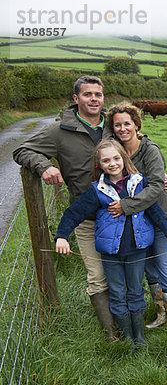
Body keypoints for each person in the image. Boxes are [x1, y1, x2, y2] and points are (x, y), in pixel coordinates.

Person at [12, 76, 118, 339]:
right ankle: (111, 333)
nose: (94, 99)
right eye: (88, 95)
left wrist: (159, 171)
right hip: (86, 216)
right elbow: (22, 150)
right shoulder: (59, 131)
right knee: (96, 274)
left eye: (98, 95)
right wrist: (44, 165)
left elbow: (140, 145)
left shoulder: (114, 125)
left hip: (122, 214)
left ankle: (129, 323)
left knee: (124, 269)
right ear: (76, 99)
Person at [53, 139, 167, 348]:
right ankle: (127, 336)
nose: (112, 163)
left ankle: (139, 337)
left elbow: (155, 211)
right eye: (105, 160)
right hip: (110, 253)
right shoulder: (98, 190)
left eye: (115, 158)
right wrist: (61, 236)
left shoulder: (139, 183)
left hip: (137, 251)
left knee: (135, 290)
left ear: (124, 158)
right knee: (118, 292)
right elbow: (74, 213)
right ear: (99, 165)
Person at [106, 103, 167, 328]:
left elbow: (157, 186)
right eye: (117, 125)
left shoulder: (150, 149)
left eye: (127, 124)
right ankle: (161, 316)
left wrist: (126, 205)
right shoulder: (115, 151)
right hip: (138, 222)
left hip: (160, 218)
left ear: (137, 125)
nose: (122, 129)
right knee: (150, 271)